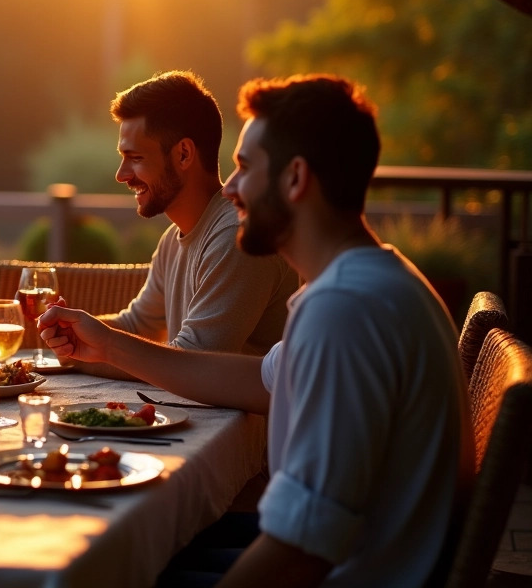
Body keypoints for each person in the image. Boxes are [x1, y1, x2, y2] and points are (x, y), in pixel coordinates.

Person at [40, 75, 472, 587]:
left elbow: (299, 551)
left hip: (347, 573)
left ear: (294, 179)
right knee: (125, 547)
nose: (230, 187)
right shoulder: (363, 285)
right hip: (360, 556)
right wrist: (103, 343)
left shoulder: (344, 309)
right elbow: (254, 381)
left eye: (245, 168)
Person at [96, 71, 297, 356]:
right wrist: (74, 329)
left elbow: (194, 359)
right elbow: (139, 325)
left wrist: (91, 350)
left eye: (136, 158)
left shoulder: (236, 236)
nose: (121, 175)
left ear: (183, 154)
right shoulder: (171, 240)